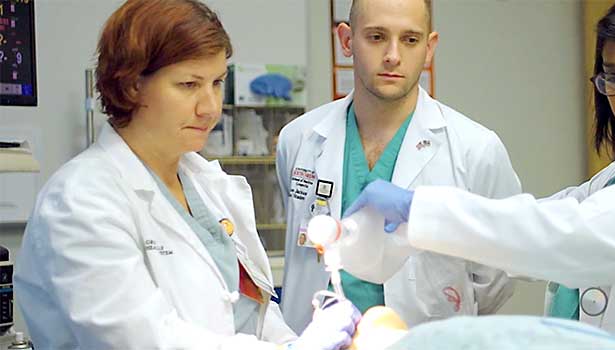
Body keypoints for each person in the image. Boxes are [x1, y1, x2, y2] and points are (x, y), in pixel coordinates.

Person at [344, 0, 615, 349]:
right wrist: (400, 235)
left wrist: (421, 211)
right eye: (614, 77)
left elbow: (567, 235)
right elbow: (532, 224)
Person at [13, 1, 359, 349]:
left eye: (217, 83)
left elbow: (253, 308)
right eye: (189, 85)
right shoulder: (80, 202)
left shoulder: (207, 185)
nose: (210, 107)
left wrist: (292, 342)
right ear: (133, 85)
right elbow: (143, 340)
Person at [276, 0, 520, 332]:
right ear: (346, 41)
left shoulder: (476, 150)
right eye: (376, 37)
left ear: (429, 47)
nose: (393, 55)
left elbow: (495, 278)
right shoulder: (299, 140)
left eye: (410, 39)